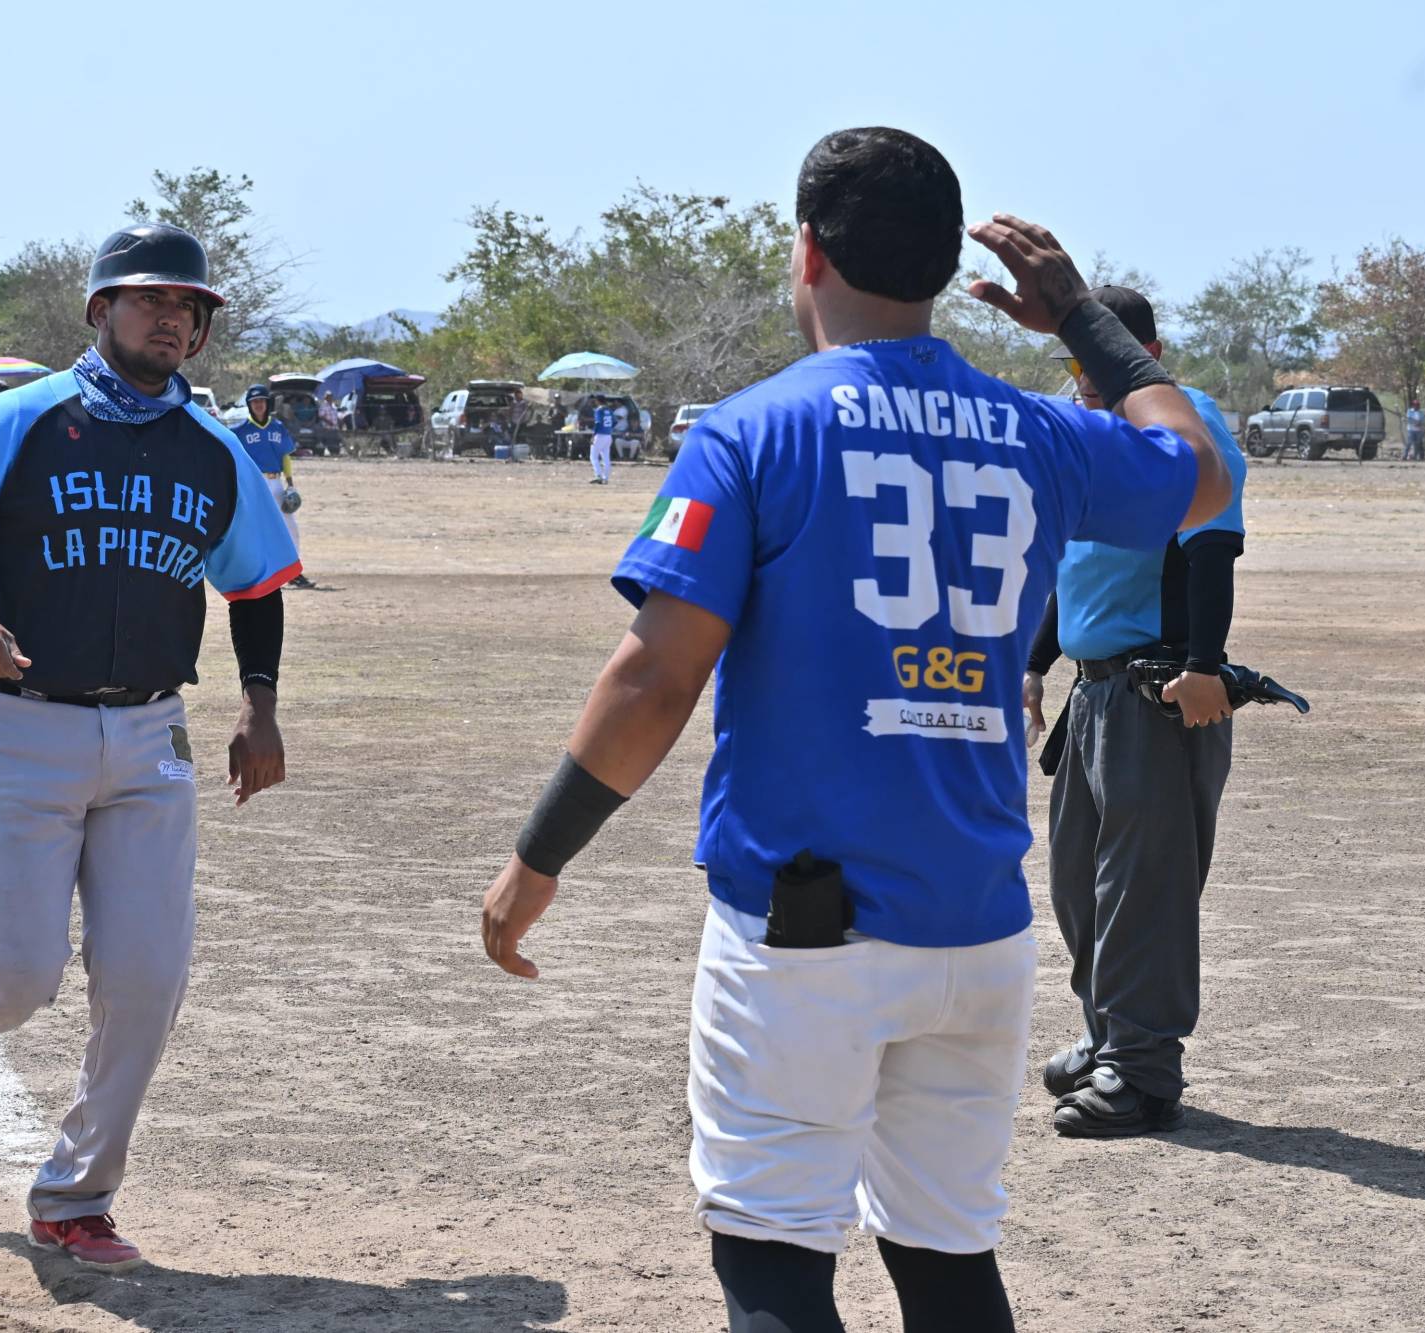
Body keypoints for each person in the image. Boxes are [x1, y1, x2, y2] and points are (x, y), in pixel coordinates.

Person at [478, 127, 1229, 1333]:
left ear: (806, 252)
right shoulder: (1033, 431)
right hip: (976, 924)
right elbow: (1196, 472)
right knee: (943, 1257)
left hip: (803, 930)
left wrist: (536, 858)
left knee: (773, 1256)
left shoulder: (754, 429)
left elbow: (653, 679)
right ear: (941, 266)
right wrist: (1081, 317)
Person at [0, 222, 300, 1273]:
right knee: (18, 977)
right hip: (23, 726)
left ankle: (76, 1197)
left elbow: (252, 585)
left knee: (148, 975)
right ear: (97, 311)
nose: (173, 317)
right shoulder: (21, 420)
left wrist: (260, 703)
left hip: (154, 736)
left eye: (189, 306)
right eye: (150, 298)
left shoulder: (213, 450)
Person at [1022, 285, 1248, 1138]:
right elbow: (1065, 565)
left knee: (1143, 885)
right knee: (1080, 878)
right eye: (1074, 362)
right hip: (1097, 687)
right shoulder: (1098, 440)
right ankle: (1110, 1032)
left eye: (1098, 360)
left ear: (1144, 354)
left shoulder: (1187, 427)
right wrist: (1034, 664)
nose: (1082, 378)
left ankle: (1144, 1071)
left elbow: (1212, 549)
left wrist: (1204, 667)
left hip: (1160, 691)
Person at [235, 383, 316, 590]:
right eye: (254, 402)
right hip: (254, 485)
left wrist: (290, 485)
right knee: (256, 529)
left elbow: (285, 456)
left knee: (291, 528)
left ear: (267, 403)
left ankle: (293, 572)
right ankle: (260, 573)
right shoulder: (240, 431)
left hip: (275, 482)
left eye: (261, 401)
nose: (258, 405)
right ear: (249, 405)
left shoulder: (277, 428)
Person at [589, 398, 614, 484]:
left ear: (598, 401)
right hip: (608, 435)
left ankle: (598, 475)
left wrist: (593, 434)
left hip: (600, 435)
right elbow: (615, 422)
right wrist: (609, 429)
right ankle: (605, 478)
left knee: (593, 456)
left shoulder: (599, 410)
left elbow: (598, 423)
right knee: (606, 457)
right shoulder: (609, 410)